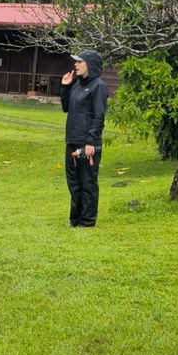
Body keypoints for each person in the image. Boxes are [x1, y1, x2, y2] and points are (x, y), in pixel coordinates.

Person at [61, 50, 108, 228]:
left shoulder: (98, 86)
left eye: (80, 62)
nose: (76, 65)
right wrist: (65, 87)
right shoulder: (76, 85)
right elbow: (67, 108)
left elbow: (99, 116)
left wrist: (91, 142)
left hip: (87, 144)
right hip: (71, 141)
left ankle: (87, 221)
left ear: (89, 64)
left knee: (87, 182)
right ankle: (75, 219)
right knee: (73, 182)